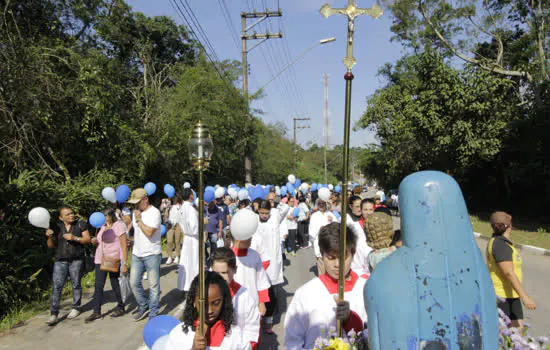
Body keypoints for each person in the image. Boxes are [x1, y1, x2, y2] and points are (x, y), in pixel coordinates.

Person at [284, 222, 368, 349]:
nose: (337, 264)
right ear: (322, 255)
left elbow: (373, 335)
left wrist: (350, 320)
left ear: (353, 254)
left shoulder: (365, 289)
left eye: (343, 258)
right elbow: (292, 340)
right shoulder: (307, 293)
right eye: (331, 258)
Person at [165, 272, 251, 350]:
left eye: (216, 303)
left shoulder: (236, 337)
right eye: (203, 304)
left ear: (224, 301)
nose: (209, 311)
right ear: (194, 302)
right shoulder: (179, 335)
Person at [486, 211, 536, 330]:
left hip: (511, 294)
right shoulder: (500, 245)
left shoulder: (501, 242)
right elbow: (508, 273)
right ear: (509, 226)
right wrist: (525, 297)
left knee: (517, 330)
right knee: (503, 333)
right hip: (501, 296)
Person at [45, 206, 91, 326]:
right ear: (61, 218)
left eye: (72, 213)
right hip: (60, 260)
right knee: (57, 286)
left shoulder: (80, 224)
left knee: (76, 284)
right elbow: (50, 246)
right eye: (68, 214)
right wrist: (49, 237)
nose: (71, 215)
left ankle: (76, 307)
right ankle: (54, 313)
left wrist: (74, 238)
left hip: (76, 259)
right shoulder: (57, 227)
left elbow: (87, 239)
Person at [211, 248, 261, 349]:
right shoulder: (203, 294)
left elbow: (252, 331)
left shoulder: (244, 296)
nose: (220, 278)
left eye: (224, 273)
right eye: (216, 273)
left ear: (235, 269)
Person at [85, 208, 129, 322]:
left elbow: (124, 245)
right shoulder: (102, 226)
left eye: (105, 217)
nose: (104, 219)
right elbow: (101, 241)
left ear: (110, 216)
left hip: (113, 259)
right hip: (100, 259)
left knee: (115, 284)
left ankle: (121, 306)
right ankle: (96, 311)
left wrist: (124, 263)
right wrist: (95, 241)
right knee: (98, 285)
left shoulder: (119, 225)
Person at [127, 188, 162, 321]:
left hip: (152, 253)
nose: (135, 205)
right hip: (137, 253)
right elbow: (137, 232)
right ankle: (143, 305)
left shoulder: (154, 213)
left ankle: (153, 311)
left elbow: (149, 232)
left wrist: (139, 220)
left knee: (153, 285)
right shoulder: (135, 213)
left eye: (137, 202)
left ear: (145, 200)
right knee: (134, 283)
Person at [254, 200, 284, 334]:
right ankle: (257, 319)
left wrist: (275, 201)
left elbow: (287, 207)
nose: (264, 215)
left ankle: (269, 321)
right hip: (258, 260)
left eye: (266, 213)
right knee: (258, 292)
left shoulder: (276, 215)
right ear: (258, 210)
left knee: (271, 293)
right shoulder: (253, 220)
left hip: (272, 262)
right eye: (262, 213)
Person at [229, 229, 271, 319]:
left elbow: (261, 279)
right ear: (239, 239)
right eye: (248, 237)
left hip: (253, 301)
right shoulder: (227, 256)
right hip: (232, 302)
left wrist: (262, 302)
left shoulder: (254, 255)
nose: (251, 238)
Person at [178, 188, 199, 292]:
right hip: (193, 238)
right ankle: (192, 285)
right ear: (191, 196)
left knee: (186, 261)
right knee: (193, 261)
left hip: (187, 237)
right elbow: (194, 226)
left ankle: (185, 284)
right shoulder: (191, 209)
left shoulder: (182, 207)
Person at [308, 199, 337, 276]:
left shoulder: (330, 214)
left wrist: (332, 220)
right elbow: (311, 231)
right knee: (322, 266)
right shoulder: (314, 216)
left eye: (323, 203)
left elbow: (337, 227)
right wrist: (320, 229)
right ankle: (323, 282)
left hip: (331, 244)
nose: (321, 205)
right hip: (319, 243)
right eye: (319, 203)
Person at [347, 196, 372, 276]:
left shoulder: (364, 220)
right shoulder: (347, 220)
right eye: (357, 206)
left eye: (361, 206)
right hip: (355, 262)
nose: (359, 209)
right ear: (351, 206)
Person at [166, 194, 184, 265]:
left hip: (178, 225)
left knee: (177, 241)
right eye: (173, 199)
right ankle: (169, 257)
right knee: (169, 241)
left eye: (175, 199)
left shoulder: (180, 206)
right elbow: (166, 216)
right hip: (170, 225)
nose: (174, 200)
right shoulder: (169, 206)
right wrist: (167, 208)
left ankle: (177, 256)